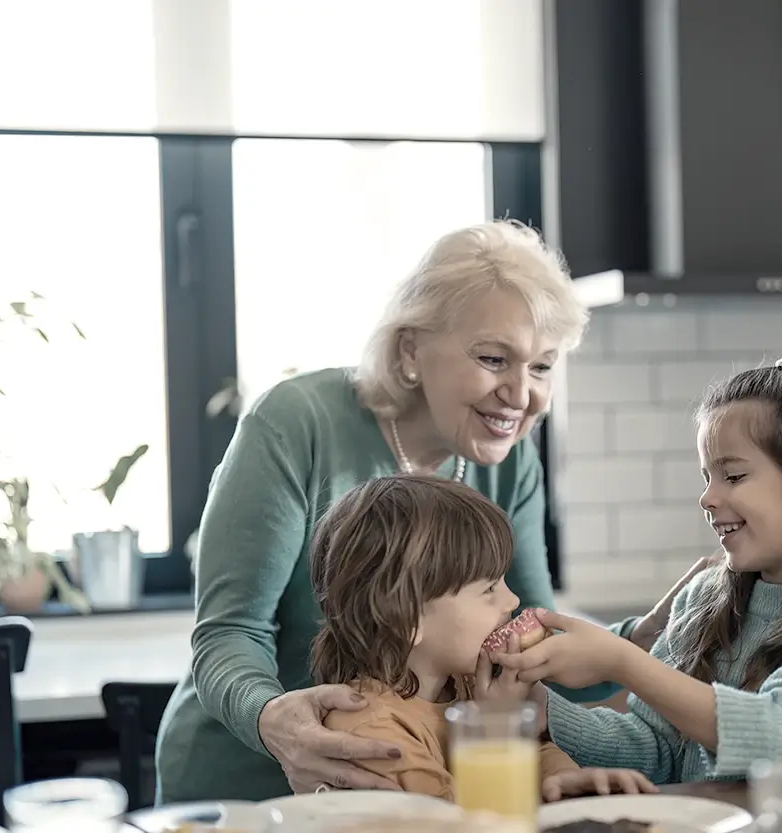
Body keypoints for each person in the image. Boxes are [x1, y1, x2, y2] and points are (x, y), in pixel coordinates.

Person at [155, 220, 707, 802]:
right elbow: (229, 632)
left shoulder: (510, 462)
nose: (521, 396)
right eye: (495, 358)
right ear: (411, 349)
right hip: (242, 787)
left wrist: (633, 640)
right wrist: (272, 721)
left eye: (542, 366)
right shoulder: (296, 425)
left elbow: (521, 637)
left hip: (427, 780)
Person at [493, 350, 782, 782]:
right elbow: (657, 749)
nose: (708, 498)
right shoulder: (704, 598)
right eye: (707, 478)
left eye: (733, 476)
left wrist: (623, 662)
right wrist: (543, 709)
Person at [310, 474, 656, 801]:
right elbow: (457, 820)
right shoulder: (369, 731)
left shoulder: (465, 684)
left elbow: (538, 749)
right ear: (405, 618)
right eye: (489, 588)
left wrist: (560, 780)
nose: (513, 601)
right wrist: (494, 728)